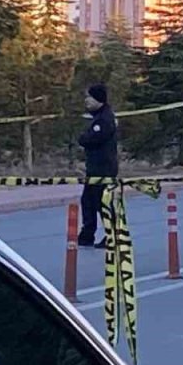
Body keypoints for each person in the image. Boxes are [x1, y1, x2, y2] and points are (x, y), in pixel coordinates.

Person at [77, 84, 118, 248]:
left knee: (102, 203)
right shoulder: (99, 116)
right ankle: (87, 235)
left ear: (99, 99)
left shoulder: (104, 119)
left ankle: (112, 235)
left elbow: (91, 139)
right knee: (88, 201)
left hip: (103, 169)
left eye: (90, 97)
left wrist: (84, 138)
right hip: (95, 168)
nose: (86, 100)